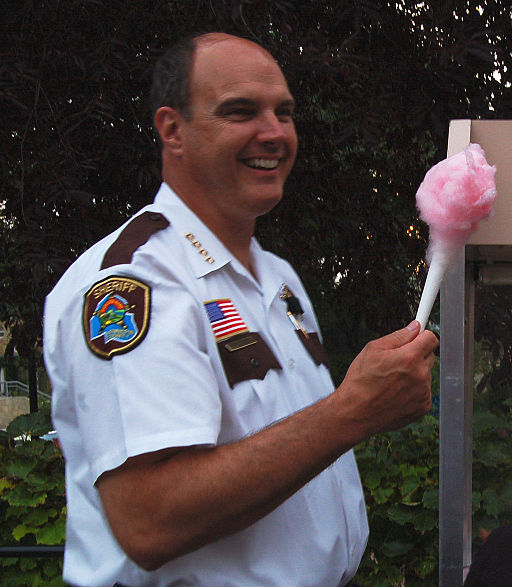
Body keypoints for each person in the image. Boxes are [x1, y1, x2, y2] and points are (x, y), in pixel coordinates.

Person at [43, 32, 439, 587]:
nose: (274, 133)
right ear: (172, 130)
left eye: (285, 112)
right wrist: (352, 411)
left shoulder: (278, 277)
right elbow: (149, 521)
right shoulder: (133, 284)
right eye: (240, 112)